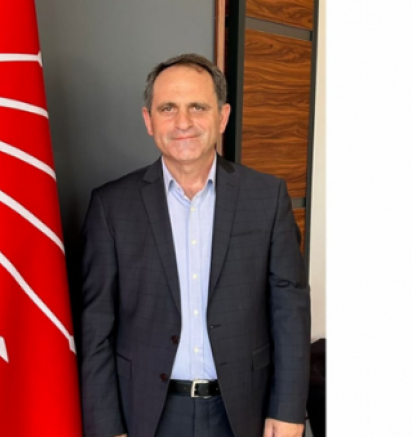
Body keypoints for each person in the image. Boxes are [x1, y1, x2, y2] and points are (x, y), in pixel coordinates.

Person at [78, 53, 311, 437]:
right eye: (168, 108)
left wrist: (288, 412)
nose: (183, 122)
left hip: (244, 414)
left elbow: (290, 312)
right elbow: (95, 328)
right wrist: (106, 427)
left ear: (222, 117)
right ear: (149, 120)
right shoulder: (111, 206)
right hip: (146, 416)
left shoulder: (267, 197)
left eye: (198, 107)